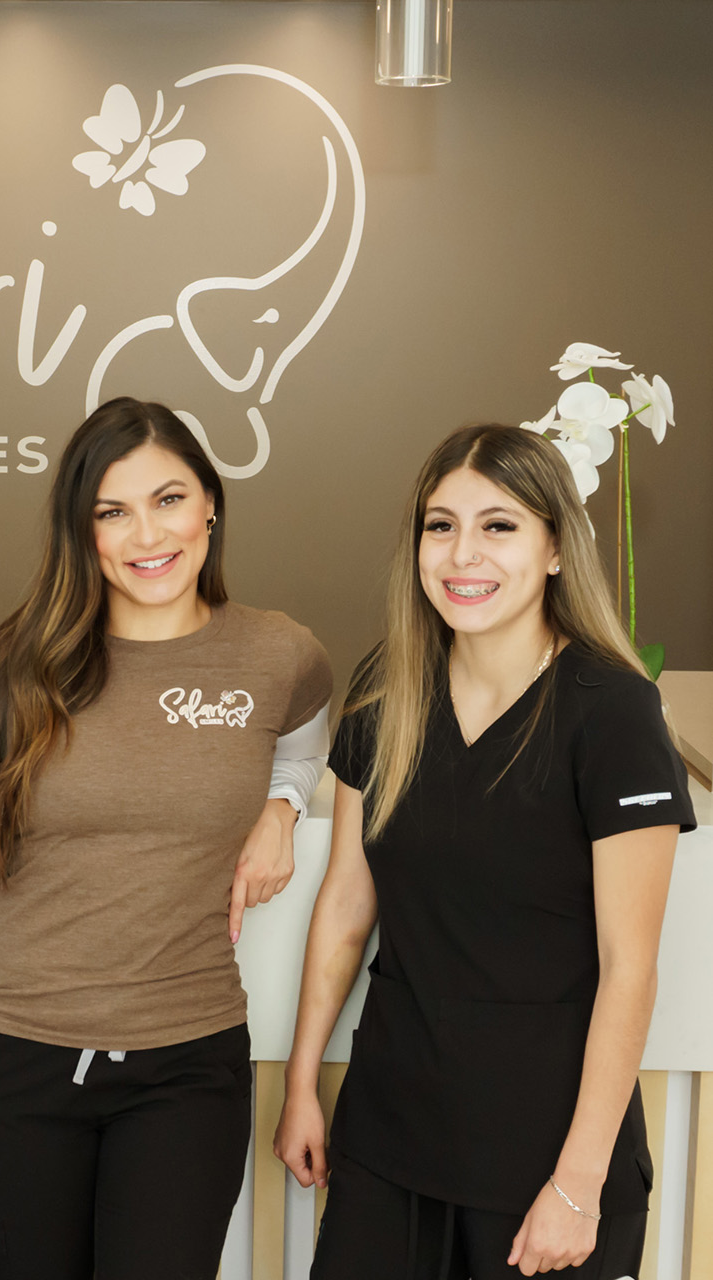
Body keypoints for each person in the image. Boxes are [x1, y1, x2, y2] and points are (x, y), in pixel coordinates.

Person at [0, 397, 333, 1280]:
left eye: (169, 500)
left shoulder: (278, 656)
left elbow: (304, 742)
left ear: (211, 504)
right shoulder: (17, 663)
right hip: (15, 1055)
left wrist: (283, 807)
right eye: (112, 510)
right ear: (83, 530)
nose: (147, 534)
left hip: (187, 1061)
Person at [274, 423, 693, 1279]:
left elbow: (630, 969)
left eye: (498, 525)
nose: (463, 552)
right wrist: (300, 1084)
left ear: (553, 550)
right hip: (389, 1144)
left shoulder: (611, 712)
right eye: (441, 525)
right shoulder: (385, 689)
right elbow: (349, 906)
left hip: (543, 1163)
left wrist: (578, 1184)